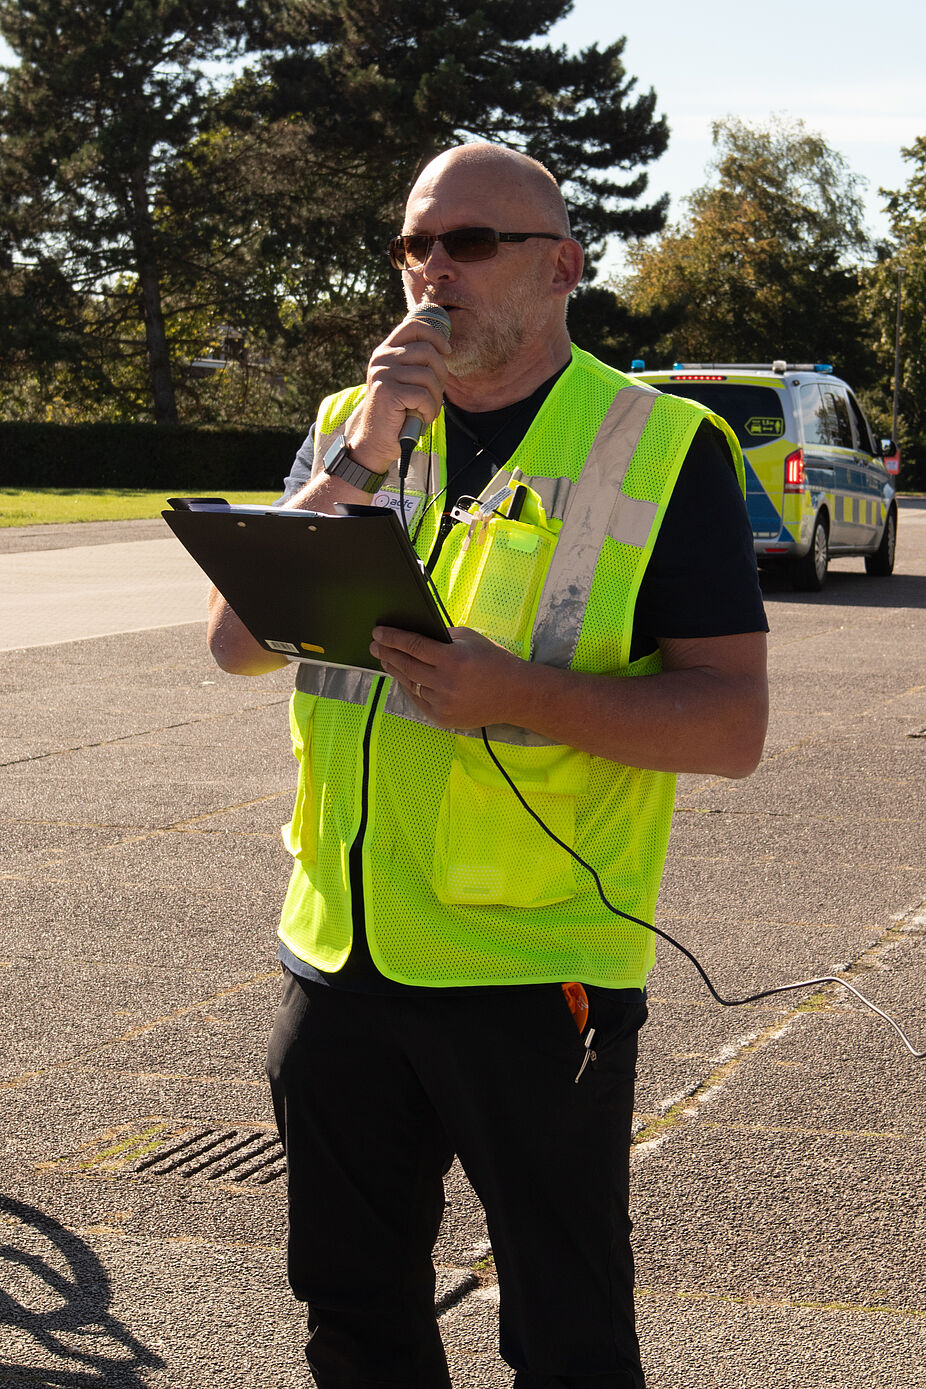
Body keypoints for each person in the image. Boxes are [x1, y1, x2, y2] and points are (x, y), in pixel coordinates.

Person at [207, 142, 769, 1389]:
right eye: (412, 246)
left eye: (466, 243)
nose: (431, 272)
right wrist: (362, 452)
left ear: (561, 266)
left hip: (530, 963)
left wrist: (517, 694)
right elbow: (235, 643)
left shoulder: (657, 445)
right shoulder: (350, 430)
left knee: (564, 1331)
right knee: (351, 1308)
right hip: (339, 950)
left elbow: (730, 727)